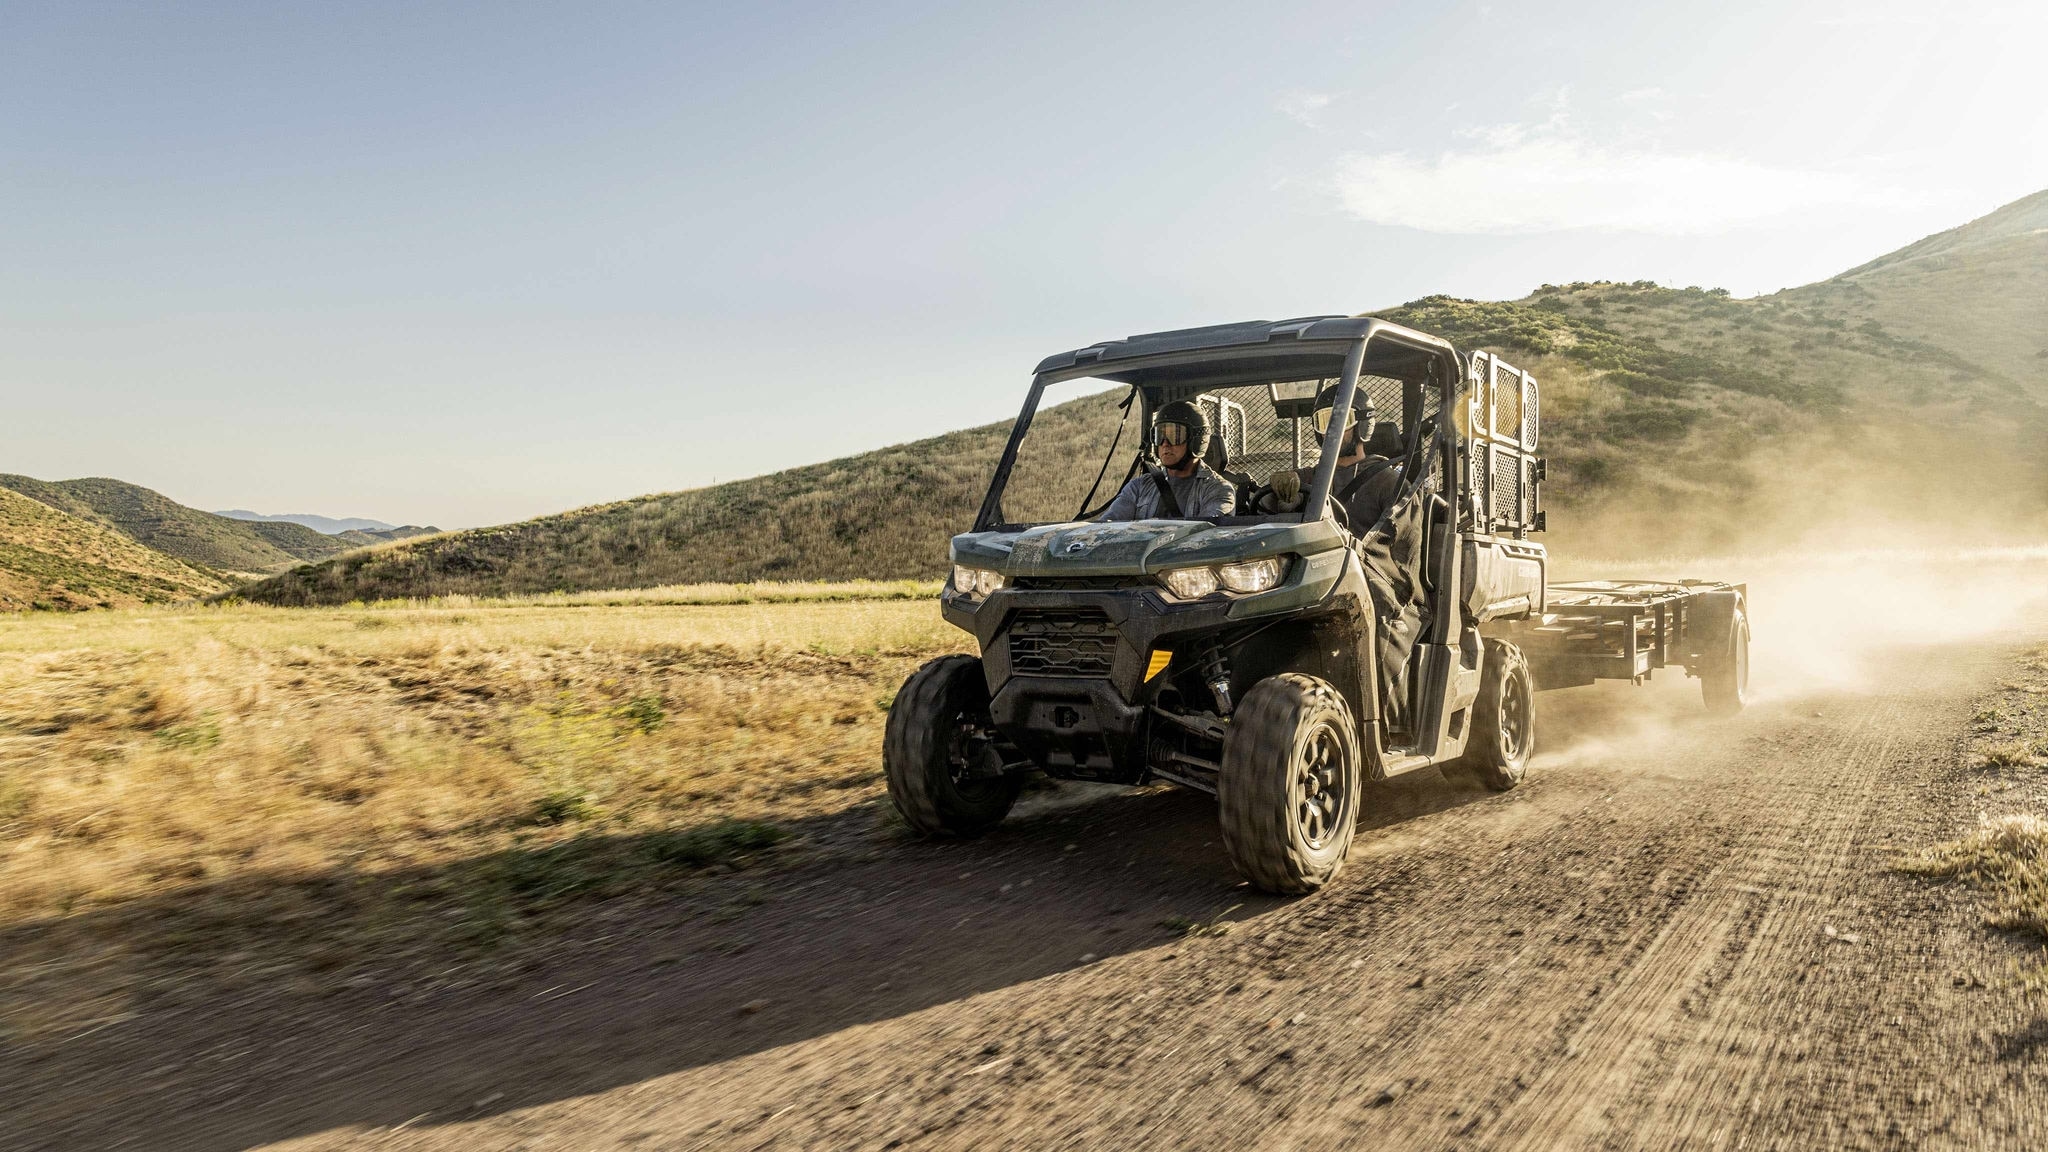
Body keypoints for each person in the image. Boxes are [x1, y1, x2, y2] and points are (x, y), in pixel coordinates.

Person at [1099, 399, 1237, 520]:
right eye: (1160, 435)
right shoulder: (1138, 487)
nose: (1165, 444)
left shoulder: (1218, 491)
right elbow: (1108, 525)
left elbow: (1205, 535)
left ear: (1196, 439)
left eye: (1175, 435)